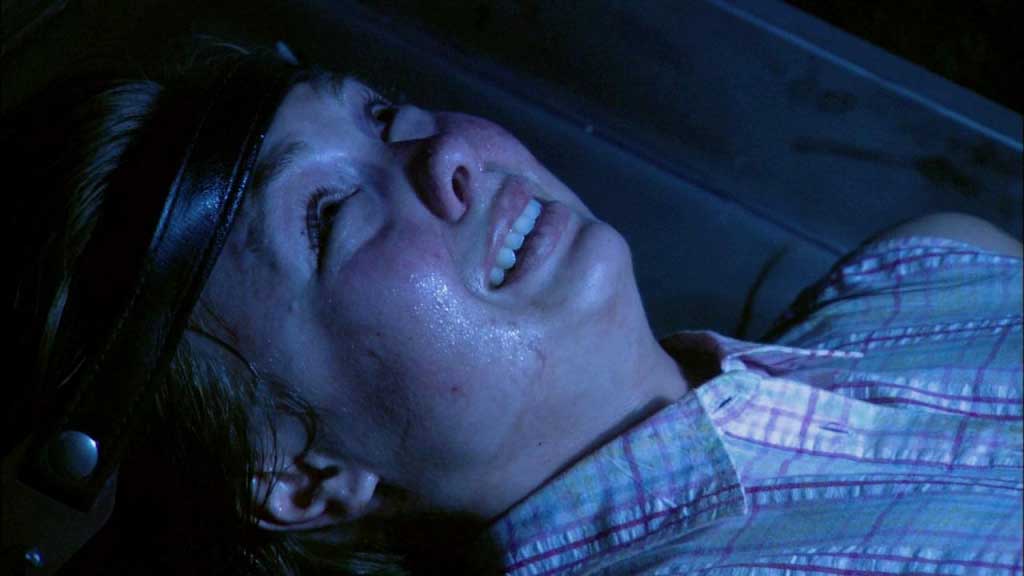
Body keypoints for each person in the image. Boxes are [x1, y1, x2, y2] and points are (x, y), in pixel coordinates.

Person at [3, 37, 1021, 575]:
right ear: (302, 476)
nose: (447, 154)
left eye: (386, 116)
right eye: (330, 216)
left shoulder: (932, 269)